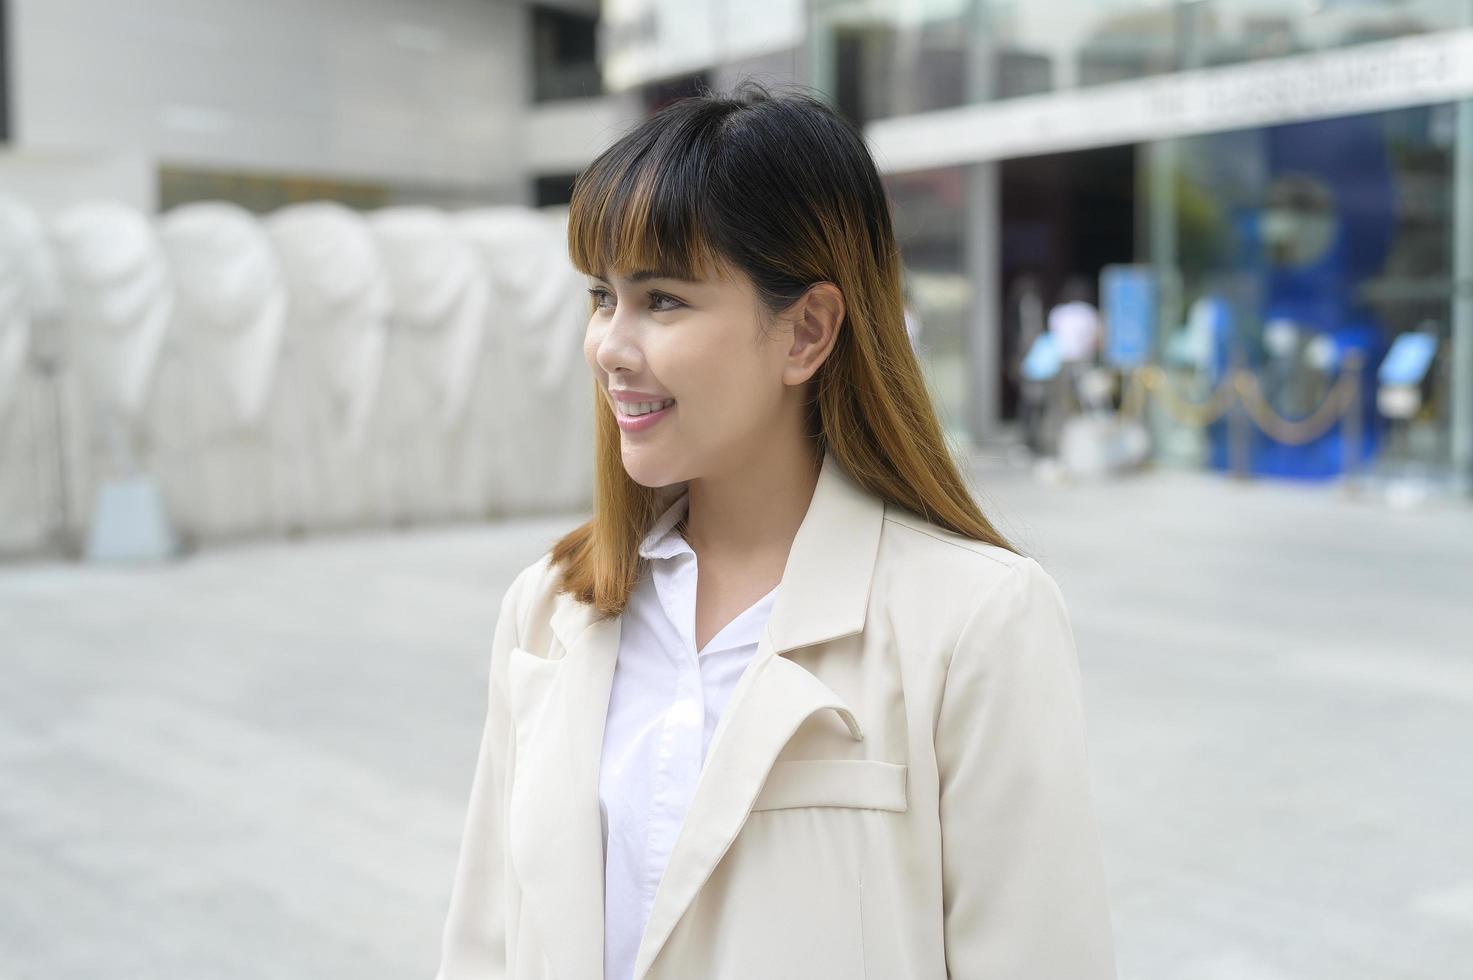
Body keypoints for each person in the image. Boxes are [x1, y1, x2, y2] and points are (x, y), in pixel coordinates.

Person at [434, 80, 1117, 980]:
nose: (609, 344)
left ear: (806, 332)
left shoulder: (975, 623)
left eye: (663, 300)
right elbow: (486, 940)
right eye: (603, 297)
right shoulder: (549, 610)